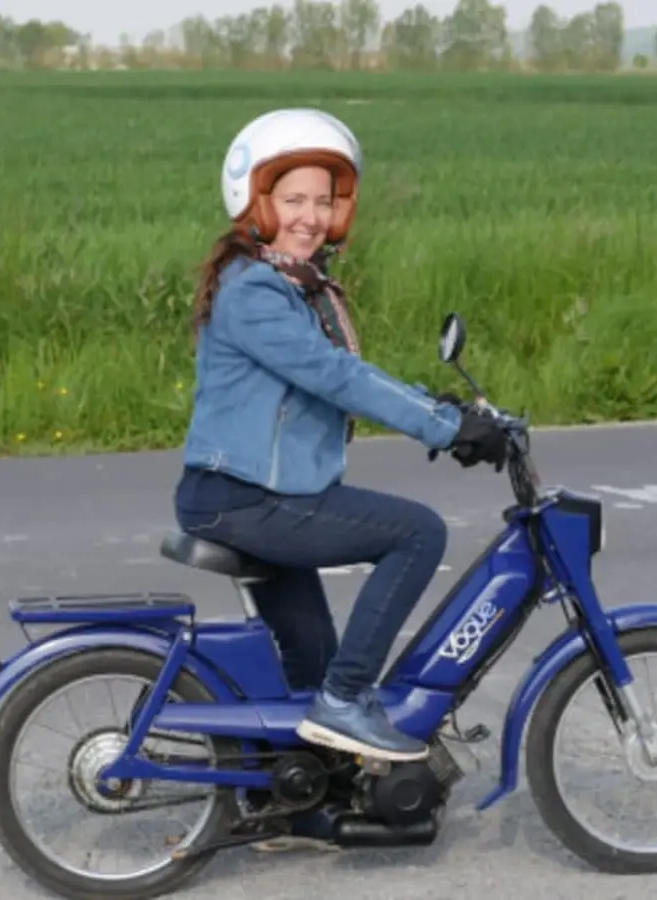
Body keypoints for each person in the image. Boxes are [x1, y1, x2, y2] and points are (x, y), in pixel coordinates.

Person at [172, 107, 507, 792]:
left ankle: (300, 793)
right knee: (417, 533)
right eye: (294, 200)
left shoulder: (288, 286)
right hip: (245, 498)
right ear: (258, 201)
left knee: (315, 660)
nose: (311, 217)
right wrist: (445, 429)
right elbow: (337, 376)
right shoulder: (257, 291)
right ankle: (347, 701)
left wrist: (443, 408)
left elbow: (341, 373)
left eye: (324, 202)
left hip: (255, 495)